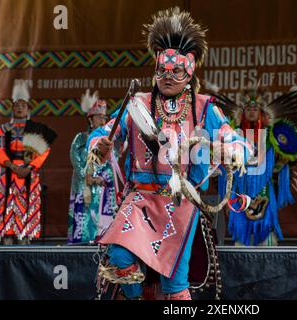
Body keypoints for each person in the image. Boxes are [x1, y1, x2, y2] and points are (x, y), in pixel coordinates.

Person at [90, 7, 250, 300]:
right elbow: (105, 132)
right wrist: (98, 146)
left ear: (189, 74)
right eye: (162, 70)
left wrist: (233, 150)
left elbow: (235, 138)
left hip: (180, 204)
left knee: (174, 283)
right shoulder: (138, 103)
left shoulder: (204, 108)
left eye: (176, 71)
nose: (168, 76)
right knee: (120, 260)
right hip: (139, 199)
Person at [213, 86, 297, 246]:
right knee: (241, 236)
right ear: (242, 112)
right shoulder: (233, 133)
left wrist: (282, 161)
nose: (252, 111)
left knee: (266, 235)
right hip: (241, 187)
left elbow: (290, 157)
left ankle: (267, 262)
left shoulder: (271, 135)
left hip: (263, 190)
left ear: (261, 113)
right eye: (248, 108)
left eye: (255, 108)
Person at [0, 80, 56, 244]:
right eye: (17, 105)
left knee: (25, 204)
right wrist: (10, 165)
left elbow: (44, 150)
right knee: (6, 205)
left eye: (23, 105)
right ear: (12, 109)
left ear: (28, 110)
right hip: (7, 173)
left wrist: (30, 167)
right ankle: (6, 236)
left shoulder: (36, 129)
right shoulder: (4, 129)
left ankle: (24, 236)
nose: (19, 108)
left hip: (28, 174)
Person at [67, 90, 120, 244]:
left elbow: (113, 160)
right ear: (90, 119)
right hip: (83, 186)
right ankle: (79, 251)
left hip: (103, 188)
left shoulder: (107, 140)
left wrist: (101, 177)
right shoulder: (81, 138)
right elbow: (75, 160)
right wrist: (88, 176)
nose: (103, 120)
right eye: (99, 117)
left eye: (105, 117)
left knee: (102, 226)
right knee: (82, 222)